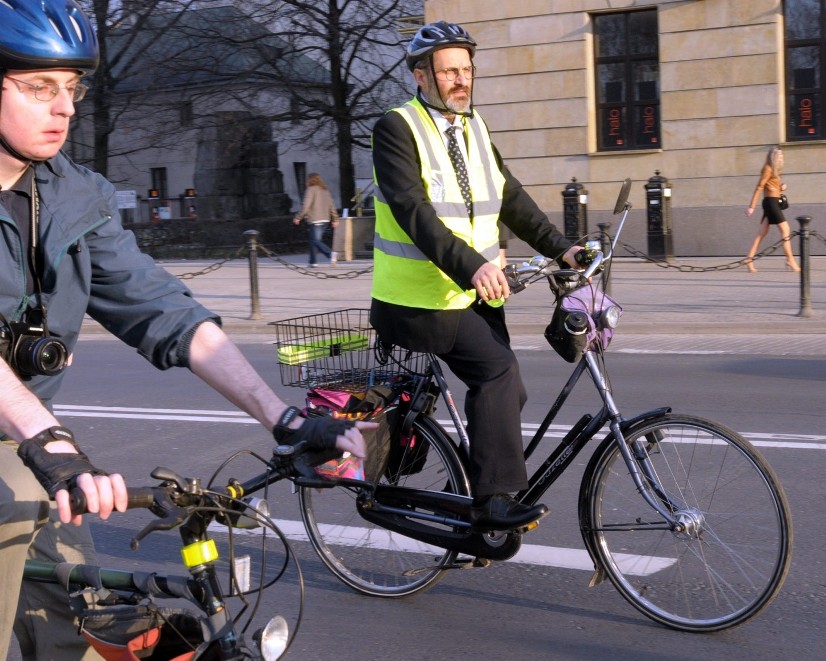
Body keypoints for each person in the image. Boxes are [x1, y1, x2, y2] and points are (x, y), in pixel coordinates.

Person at [0, 2, 369, 659]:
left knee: (83, 626)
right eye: (37, 87)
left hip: (28, 453)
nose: (63, 108)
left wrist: (283, 418)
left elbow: (163, 310)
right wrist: (52, 443)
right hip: (30, 450)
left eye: (72, 88)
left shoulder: (71, 196)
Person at [369, 21, 580, 531]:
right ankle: (493, 504)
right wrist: (474, 265)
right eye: (448, 72)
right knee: (497, 375)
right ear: (421, 76)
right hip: (419, 300)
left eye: (466, 69)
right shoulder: (397, 129)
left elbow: (509, 195)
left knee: (511, 393)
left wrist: (561, 247)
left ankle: (461, 499)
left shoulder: (473, 125)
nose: (461, 80)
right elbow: (413, 212)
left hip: (473, 294)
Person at [745, 146, 800, 273]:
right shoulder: (768, 168)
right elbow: (759, 187)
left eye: (782, 156)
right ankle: (790, 260)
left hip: (773, 201)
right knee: (785, 229)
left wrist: (781, 187)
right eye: (779, 156)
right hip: (770, 203)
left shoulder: (775, 170)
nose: (781, 158)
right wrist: (752, 207)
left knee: (761, 233)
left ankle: (749, 259)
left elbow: (772, 186)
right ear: (773, 157)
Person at [293, 172, 339, 267]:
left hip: (315, 219)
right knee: (313, 240)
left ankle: (330, 254)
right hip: (325, 219)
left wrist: (298, 217)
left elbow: (306, 206)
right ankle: (313, 261)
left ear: (309, 180)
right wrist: (335, 218)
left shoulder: (310, 190)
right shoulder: (325, 190)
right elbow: (331, 205)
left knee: (315, 241)